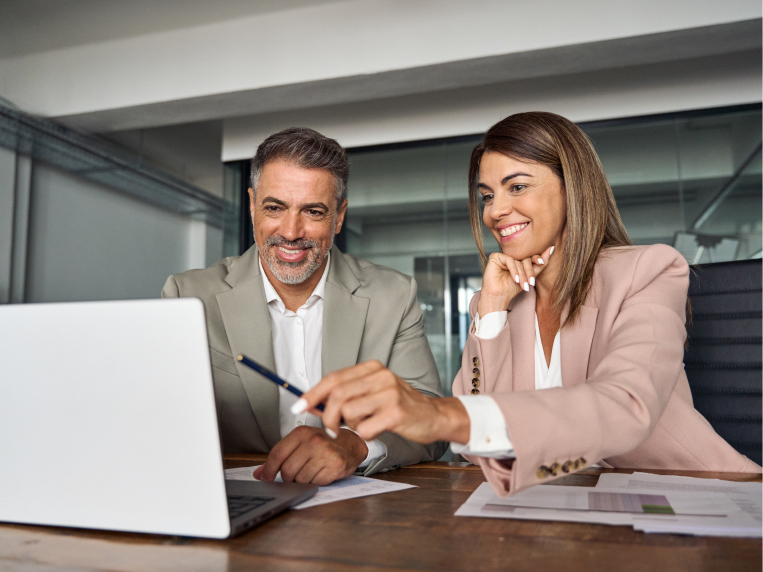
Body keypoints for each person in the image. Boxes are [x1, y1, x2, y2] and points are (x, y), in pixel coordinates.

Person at [293, 112, 760, 496]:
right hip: (554, 506)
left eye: (517, 187)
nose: (496, 210)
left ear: (572, 187)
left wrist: (440, 414)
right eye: (487, 195)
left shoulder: (649, 271)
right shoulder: (497, 302)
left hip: (688, 497)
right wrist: (491, 313)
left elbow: (627, 405)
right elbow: (477, 450)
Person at [162, 127, 446, 485]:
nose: (292, 232)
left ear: (339, 215)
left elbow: (432, 423)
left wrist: (356, 445)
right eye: (275, 207)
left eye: (313, 211)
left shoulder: (395, 295)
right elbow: (159, 421)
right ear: (252, 206)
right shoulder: (188, 296)